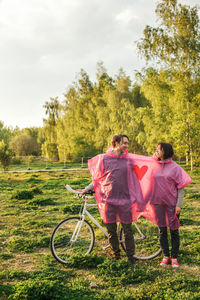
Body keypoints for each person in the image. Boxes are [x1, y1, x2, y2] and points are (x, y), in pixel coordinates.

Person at [80, 134, 143, 266]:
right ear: (116, 143)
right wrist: (87, 188)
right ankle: (116, 256)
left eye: (127, 143)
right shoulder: (104, 159)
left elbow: (136, 179)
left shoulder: (129, 160)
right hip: (108, 201)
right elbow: (97, 179)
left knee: (128, 230)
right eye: (124, 143)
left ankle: (131, 259)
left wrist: (139, 196)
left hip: (125, 200)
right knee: (111, 231)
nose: (126, 145)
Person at [152, 143, 192, 268]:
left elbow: (181, 188)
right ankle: (165, 256)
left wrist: (178, 205)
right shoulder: (154, 165)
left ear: (166, 151)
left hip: (172, 205)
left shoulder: (175, 168)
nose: (156, 151)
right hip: (158, 204)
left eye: (158, 149)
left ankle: (174, 257)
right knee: (162, 231)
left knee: (174, 231)